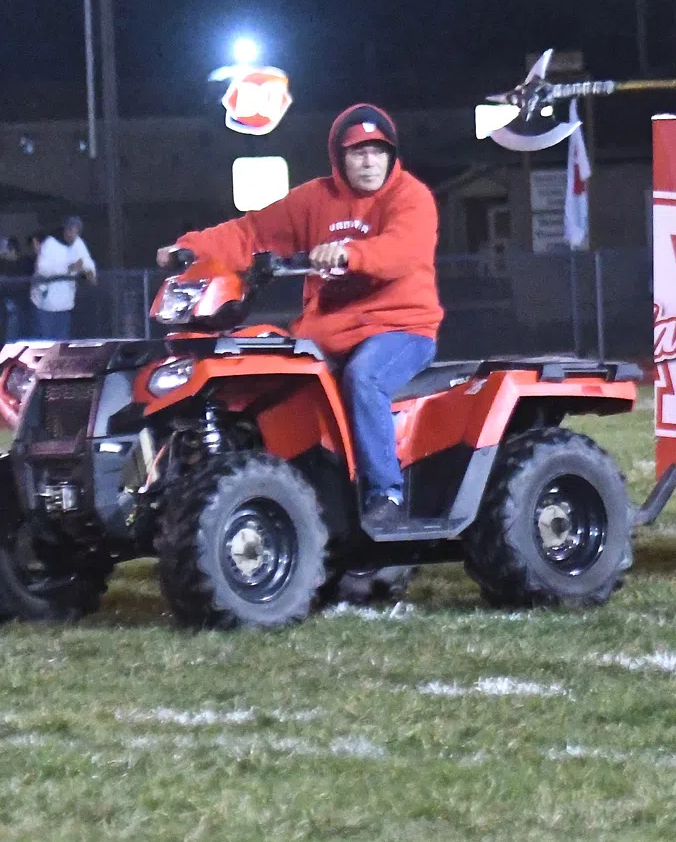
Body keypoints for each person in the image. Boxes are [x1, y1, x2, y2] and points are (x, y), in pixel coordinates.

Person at [163, 105, 442, 527]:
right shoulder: (315, 199)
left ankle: (386, 494)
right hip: (328, 332)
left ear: (391, 155)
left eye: (377, 151)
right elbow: (251, 231)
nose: (369, 161)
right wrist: (192, 248)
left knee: (364, 377)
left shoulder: (411, 197)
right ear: (339, 157)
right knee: (268, 369)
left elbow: (402, 251)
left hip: (401, 327)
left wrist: (350, 253)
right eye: (357, 152)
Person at [29, 217, 98, 340]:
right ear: (65, 229)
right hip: (46, 305)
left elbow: (86, 261)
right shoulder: (50, 243)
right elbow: (43, 269)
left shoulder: (78, 243)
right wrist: (68, 268)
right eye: (71, 230)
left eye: (76, 231)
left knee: (62, 343)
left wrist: (90, 272)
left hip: (65, 304)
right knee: (45, 343)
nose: (73, 234)